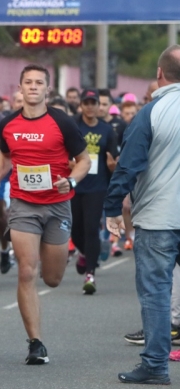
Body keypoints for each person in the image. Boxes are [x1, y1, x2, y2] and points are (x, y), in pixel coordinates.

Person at [0, 64, 90, 365]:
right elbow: (4, 159)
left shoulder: (62, 122)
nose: (34, 87)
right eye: (28, 82)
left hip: (58, 204)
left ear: (47, 89)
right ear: (20, 87)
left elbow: (84, 161)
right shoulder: (8, 124)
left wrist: (72, 180)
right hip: (23, 204)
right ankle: (35, 343)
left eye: (39, 82)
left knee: (52, 278)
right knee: (27, 270)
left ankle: (52, 259)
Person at [105, 45, 180, 384]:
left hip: (158, 219)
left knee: (156, 293)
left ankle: (155, 365)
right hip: (160, 218)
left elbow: (128, 166)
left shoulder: (151, 112)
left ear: (159, 75)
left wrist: (112, 209)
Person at [70, 89, 118, 294]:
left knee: (91, 228)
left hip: (97, 187)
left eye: (93, 103)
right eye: (86, 102)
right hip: (74, 183)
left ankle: (90, 273)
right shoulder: (73, 126)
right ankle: (84, 253)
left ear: (99, 106)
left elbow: (113, 161)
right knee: (75, 230)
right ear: (81, 104)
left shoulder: (107, 130)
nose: (90, 106)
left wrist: (111, 166)